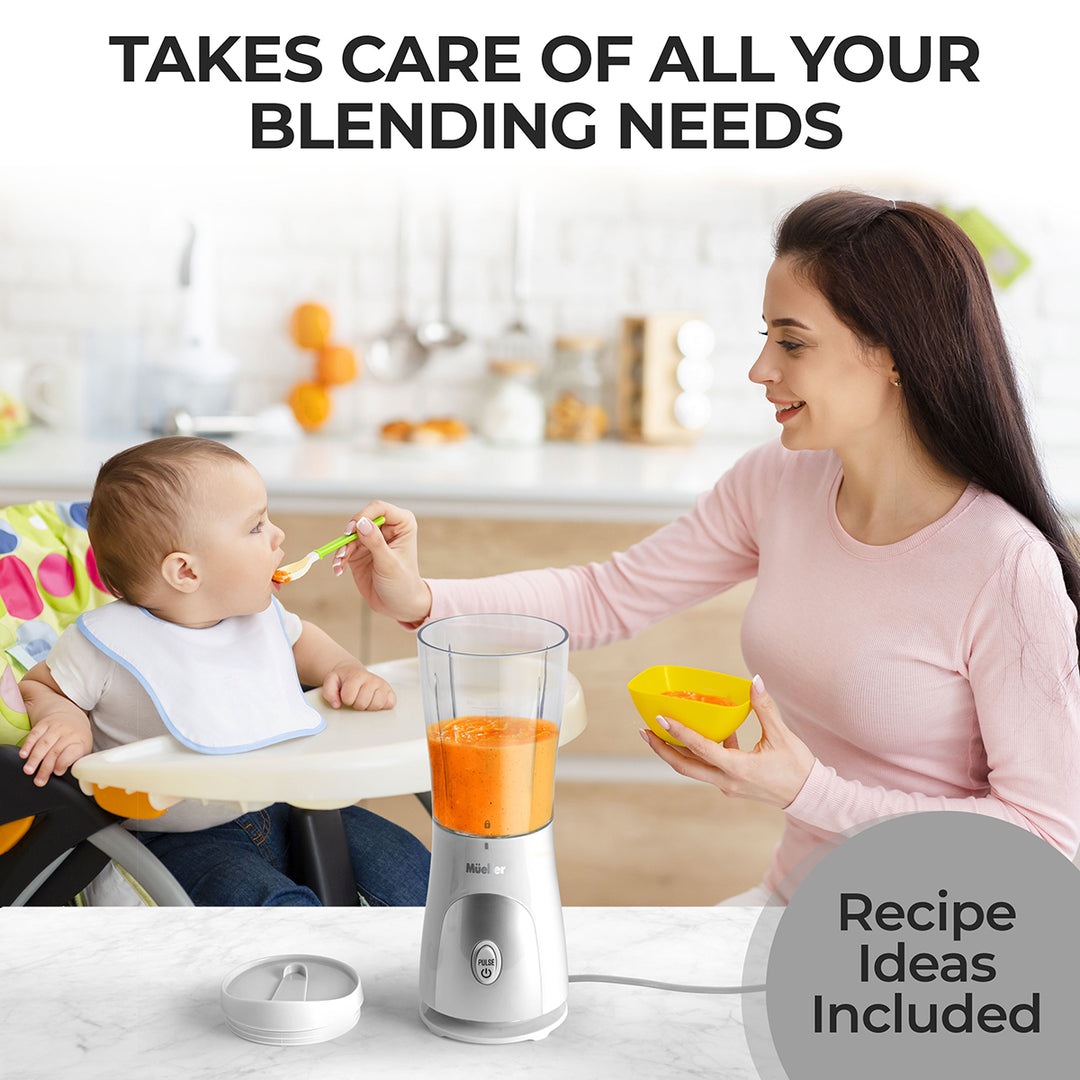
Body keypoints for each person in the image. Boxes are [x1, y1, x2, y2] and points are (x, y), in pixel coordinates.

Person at [332, 191, 1080, 905]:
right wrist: (428, 602)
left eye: (792, 342)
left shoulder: (1002, 565)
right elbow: (607, 595)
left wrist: (805, 790)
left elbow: (1048, 838)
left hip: (940, 944)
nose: (761, 370)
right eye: (766, 338)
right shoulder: (780, 480)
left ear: (892, 354)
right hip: (795, 906)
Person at [17, 436, 430, 906]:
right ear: (186, 573)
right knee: (266, 906)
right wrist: (64, 718)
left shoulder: (257, 614)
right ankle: (316, 968)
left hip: (285, 803)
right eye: (256, 527)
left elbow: (302, 640)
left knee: (408, 868)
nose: (278, 536)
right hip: (175, 835)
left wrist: (345, 667)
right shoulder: (108, 643)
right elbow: (42, 685)